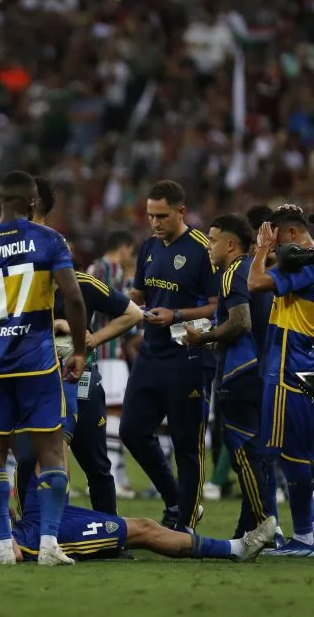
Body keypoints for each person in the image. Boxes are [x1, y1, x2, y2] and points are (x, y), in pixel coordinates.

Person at [0, 170, 87, 566]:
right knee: (51, 452)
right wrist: (79, 349)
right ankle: (49, 545)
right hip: (38, 364)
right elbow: (73, 299)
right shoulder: (50, 240)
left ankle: (3, 546)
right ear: (32, 203)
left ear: (0, 202)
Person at [17, 176, 143, 516]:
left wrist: (91, 338)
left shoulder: (84, 285)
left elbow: (132, 314)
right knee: (30, 458)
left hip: (81, 379)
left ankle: (109, 533)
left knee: (96, 463)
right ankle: (39, 527)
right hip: (35, 379)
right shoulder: (22, 287)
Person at [0, 476, 276, 564]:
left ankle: (186, 537)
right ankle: (235, 549)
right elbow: (6, 553)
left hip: (35, 522)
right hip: (44, 537)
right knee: (142, 531)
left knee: (133, 528)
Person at [122, 180, 218, 532]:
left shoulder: (203, 250)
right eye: (149, 215)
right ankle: (175, 498)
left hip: (188, 357)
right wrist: (129, 302)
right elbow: (140, 291)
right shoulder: (148, 247)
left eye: (161, 216)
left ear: (181, 212)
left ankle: (186, 525)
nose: (154, 223)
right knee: (132, 431)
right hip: (151, 354)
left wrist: (176, 315)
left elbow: (216, 305)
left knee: (185, 443)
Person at [184, 214, 276, 541]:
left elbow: (240, 322)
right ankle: (245, 531)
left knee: (240, 451)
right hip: (264, 371)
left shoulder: (230, 274)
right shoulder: (258, 272)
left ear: (230, 244)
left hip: (239, 372)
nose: (209, 247)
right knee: (256, 454)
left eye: (212, 240)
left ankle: (265, 522)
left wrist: (202, 338)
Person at [247, 205, 314, 556]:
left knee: (293, 458)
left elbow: (255, 282)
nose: (270, 247)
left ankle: (304, 536)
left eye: (274, 240)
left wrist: (260, 252)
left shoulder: (309, 266)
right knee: (298, 456)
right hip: (300, 369)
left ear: (289, 234)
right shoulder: (302, 264)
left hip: (291, 372)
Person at [86, 230, 137, 500]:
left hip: (105, 352)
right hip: (107, 350)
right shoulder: (108, 268)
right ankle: (114, 477)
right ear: (125, 247)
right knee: (113, 414)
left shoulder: (97, 267)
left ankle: (117, 475)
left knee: (108, 415)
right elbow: (114, 305)